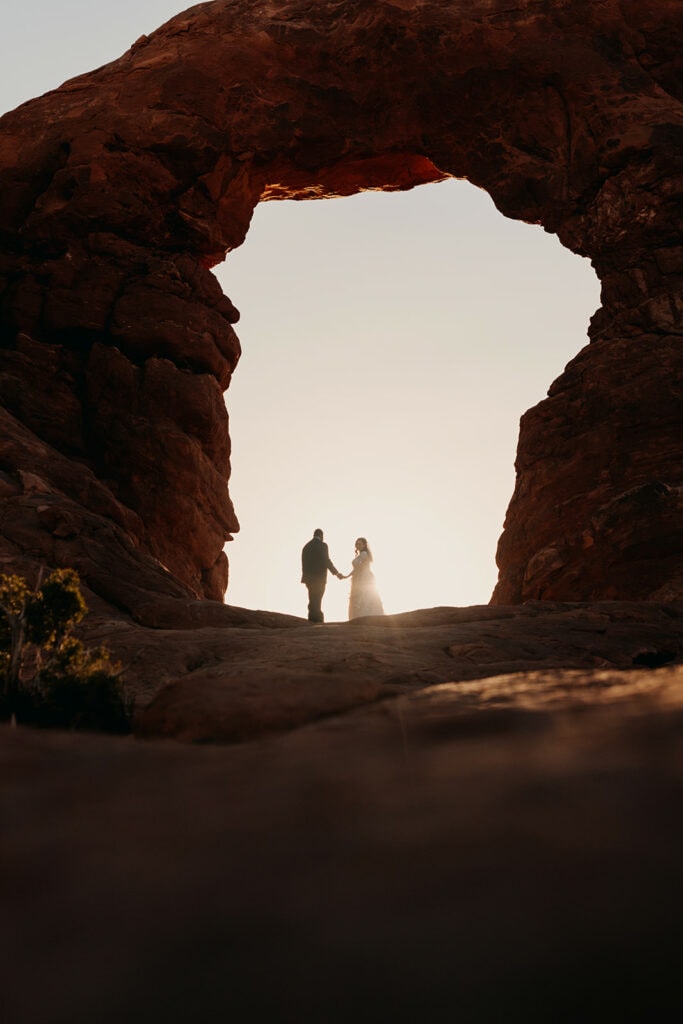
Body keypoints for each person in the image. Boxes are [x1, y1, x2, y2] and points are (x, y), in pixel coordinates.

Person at [300, 528, 343, 623]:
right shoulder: (323, 545)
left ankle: (311, 618)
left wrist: (306, 577)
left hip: (308, 579)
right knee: (317, 599)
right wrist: (336, 573)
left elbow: (304, 563)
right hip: (319, 579)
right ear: (321, 536)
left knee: (312, 598)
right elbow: (326, 561)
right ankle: (317, 620)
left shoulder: (306, 546)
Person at [341, 537, 384, 620]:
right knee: (362, 597)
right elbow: (356, 569)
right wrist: (347, 576)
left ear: (364, 545)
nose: (358, 545)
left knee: (363, 597)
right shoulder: (362, 554)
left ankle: (362, 617)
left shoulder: (364, 554)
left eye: (360, 544)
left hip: (364, 578)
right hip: (360, 577)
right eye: (356, 544)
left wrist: (348, 575)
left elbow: (359, 567)